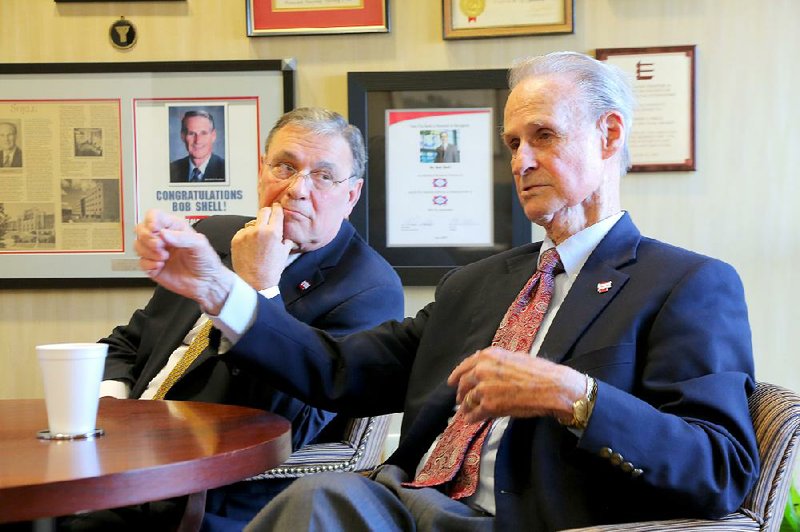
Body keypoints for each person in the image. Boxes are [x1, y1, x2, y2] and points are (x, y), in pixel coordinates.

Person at [134, 52, 760, 531]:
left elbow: (722, 468)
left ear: (609, 135)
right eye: (513, 143)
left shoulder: (686, 284)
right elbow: (338, 370)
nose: (521, 160)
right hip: (407, 501)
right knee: (321, 502)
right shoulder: (478, 284)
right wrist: (220, 288)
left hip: (520, 519)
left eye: (543, 135)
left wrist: (576, 396)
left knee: (319, 502)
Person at [75, 108, 404, 531]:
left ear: (352, 195)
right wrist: (111, 409)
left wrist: (258, 289)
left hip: (209, 500)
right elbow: (128, 343)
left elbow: (286, 427)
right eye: (284, 166)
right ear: (262, 173)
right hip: (113, 462)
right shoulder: (215, 236)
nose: (297, 189)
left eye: (323, 176)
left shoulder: (367, 288)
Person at [169, 110, 226, 183]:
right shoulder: (171, 170)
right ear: (182, 136)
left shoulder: (226, 170)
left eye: (203, 133)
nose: (197, 140)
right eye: (192, 133)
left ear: (213, 135)